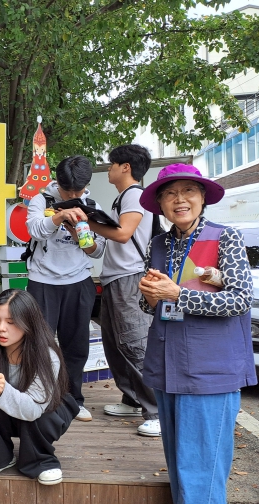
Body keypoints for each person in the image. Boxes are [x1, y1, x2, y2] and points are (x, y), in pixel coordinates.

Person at [137, 163, 256, 504]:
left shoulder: (225, 236)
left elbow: (240, 299)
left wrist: (179, 295)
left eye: (188, 191)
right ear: (160, 204)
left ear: (202, 197)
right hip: (167, 362)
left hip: (209, 368)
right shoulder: (158, 244)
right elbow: (149, 304)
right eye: (170, 194)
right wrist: (151, 297)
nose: (179, 200)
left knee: (201, 470)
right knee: (179, 465)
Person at [0, 289, 78, 484]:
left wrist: (4, 389)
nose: (1, 328)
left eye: (11, 322)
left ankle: (41, 461)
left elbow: (34, 409)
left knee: (42, 412)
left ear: (28, 323)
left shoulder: (46, 354)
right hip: (3, 413)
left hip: (43, 412)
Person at [25, 155, 106, 422]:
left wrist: (80, 235)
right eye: (66, 190)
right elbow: (35, 230)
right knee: (39, 344)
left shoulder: (92, 206)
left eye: (78, 191)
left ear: (86, 185)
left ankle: (73, 400)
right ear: (56, 181)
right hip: (42, 282)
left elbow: (98, 250)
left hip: (79, 282)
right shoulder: (41, 200)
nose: (72, 195)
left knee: (76, 345)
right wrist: (59, 216)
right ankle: (41, 397)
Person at [87, 144, 160, 437]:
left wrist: (88, 221)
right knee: (115, 343)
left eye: (112, 164)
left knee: (133, 342)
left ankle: (156, 411)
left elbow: (123, 233)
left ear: (125, 167)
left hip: (130, 278)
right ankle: (132, 399)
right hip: (115, 278)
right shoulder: (122, 197)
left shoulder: (135, 195)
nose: (109, 169)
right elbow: (105, 242)